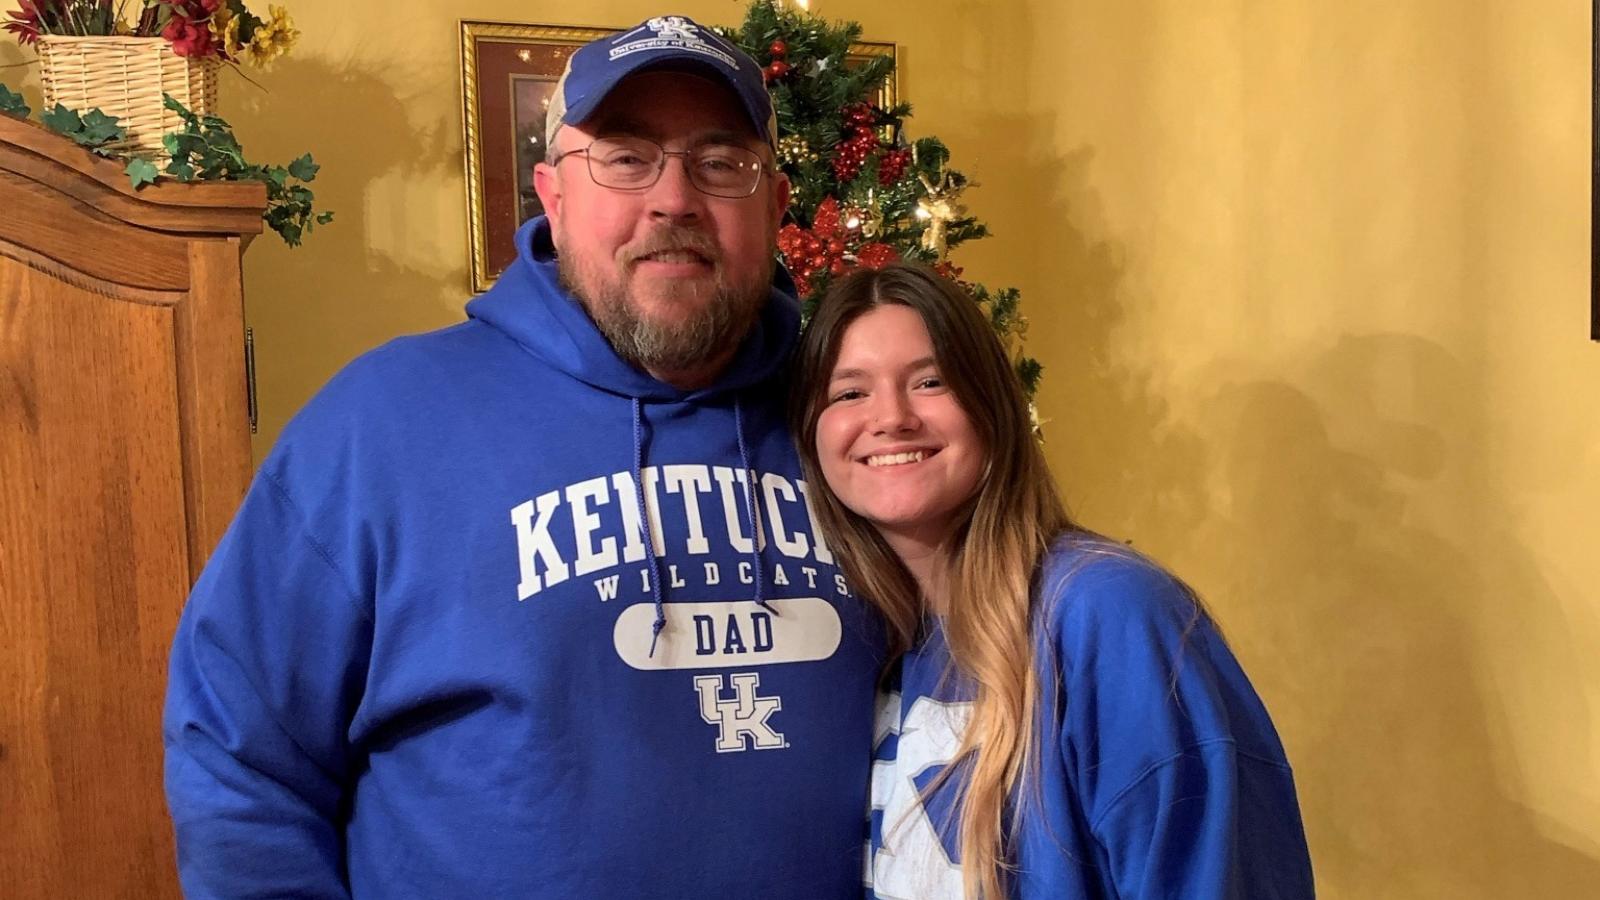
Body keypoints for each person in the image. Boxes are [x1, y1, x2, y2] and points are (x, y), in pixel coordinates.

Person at [163, 15, 882, 898]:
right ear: (552, 194)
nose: (675, 199)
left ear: (773, 203)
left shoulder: (856, 421)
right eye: (625, 156)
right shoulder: (382, 424)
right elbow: (239, 753)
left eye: (721, 161)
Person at [788, 262, 1316, 899]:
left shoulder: (1109, 614)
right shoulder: (878, 645)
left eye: (930, 382)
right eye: (850, 392)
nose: (891, 417)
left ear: (992, 408)